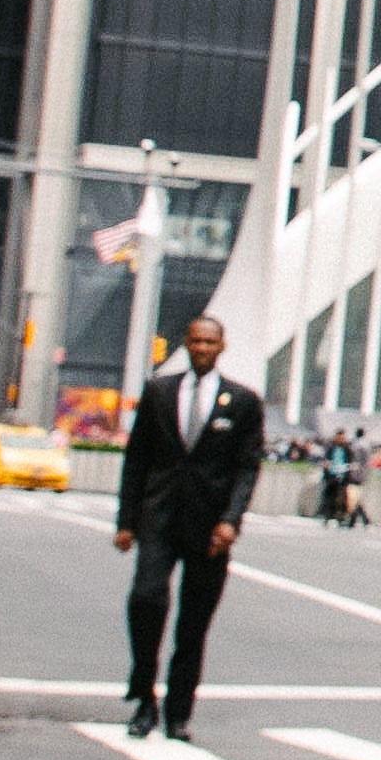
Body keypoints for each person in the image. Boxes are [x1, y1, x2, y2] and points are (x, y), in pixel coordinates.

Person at [118, 308, 264, 732]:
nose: (201, 348)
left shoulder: (242, 401)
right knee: (147, 599)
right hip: (158, 519)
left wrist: (232, 520)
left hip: (210, 528)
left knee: (193, 623)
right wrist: (126, 522)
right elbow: (136, 460)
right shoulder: (159, 392)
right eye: (195, 341)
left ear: (222, 348)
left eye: (209, 342)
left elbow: (247, 468)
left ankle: (179, 712)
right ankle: (144, 696)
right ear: (185, 343)